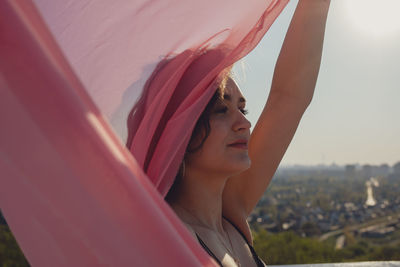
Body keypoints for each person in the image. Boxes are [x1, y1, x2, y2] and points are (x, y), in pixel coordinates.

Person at [165, 0, 331, 266]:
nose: (244, 123)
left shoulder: (230, 214)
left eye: (243, 109)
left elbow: (288, 98)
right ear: (180, 130)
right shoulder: (165, 235)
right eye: (221, 110)